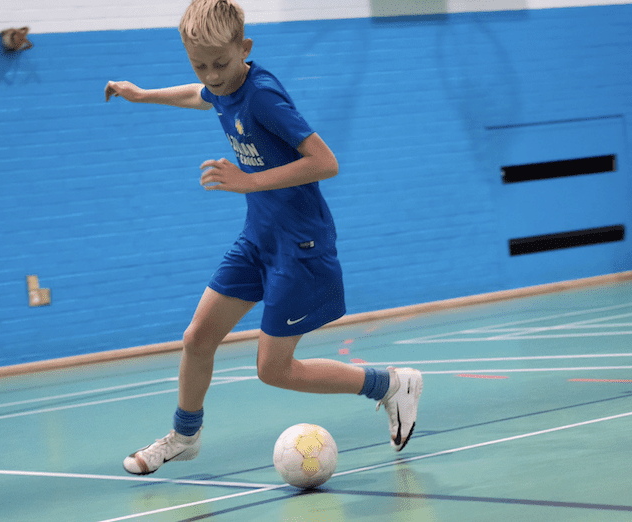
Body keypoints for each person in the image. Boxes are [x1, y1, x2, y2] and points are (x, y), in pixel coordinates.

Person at [105, 0, 422, 476]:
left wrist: (250, 181)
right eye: (200, 65)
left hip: (300, 244)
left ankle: (391, 384)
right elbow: (202, 95)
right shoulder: (223, 87)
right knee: (197, 338)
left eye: (220, 64)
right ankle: (185, 436)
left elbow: (325, 161)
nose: (211, 75)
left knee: (273, 369)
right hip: (258, 236)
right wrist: (143, 95)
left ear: (244, 48)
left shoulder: (263, 96)